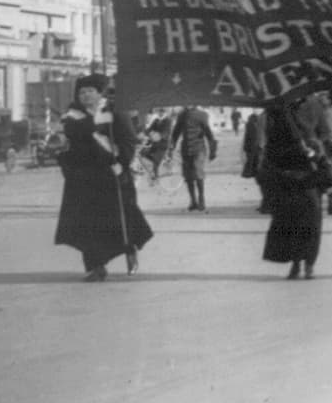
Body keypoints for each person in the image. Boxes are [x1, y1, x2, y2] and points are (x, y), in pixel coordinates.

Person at [54, 73, 153, 281]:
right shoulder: (72, 115)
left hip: (112, 174)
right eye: (82, 92)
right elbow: (69, 142)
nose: (86, 95)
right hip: (84, 177)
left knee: (119, 220)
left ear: (100, 93)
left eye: (90, 91)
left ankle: (130, 249)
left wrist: (121, 163)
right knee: (87, 222)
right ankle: (95, 266)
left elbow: (127, 140)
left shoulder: (115, 112)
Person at [259, 100, 328, 279]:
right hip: (285, 174)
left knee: (311, 222)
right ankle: (296, 262)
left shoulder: (314, 105)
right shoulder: (277, 108)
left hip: (309, 173)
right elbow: (271, 140)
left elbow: (324, 133)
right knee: (290, 222)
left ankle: (309, 264)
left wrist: (314, 149)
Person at [169, 105, 217, 212]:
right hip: (186, 149)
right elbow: (176, 132)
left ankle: (201, 200)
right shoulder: (182, 115)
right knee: (188, 176)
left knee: (198, 173)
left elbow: (209, 133)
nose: (188, 104)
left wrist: (213, 150)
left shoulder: (202, 115)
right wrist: (171, 147)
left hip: (198, 148)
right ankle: (193, 201)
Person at [241, 109, 268, 212]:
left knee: (262, 178)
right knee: (261, 178)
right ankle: (266, 202)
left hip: (262, 152)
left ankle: (267, 203)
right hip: (258, 152)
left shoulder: (264, 116)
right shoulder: (254, 119)